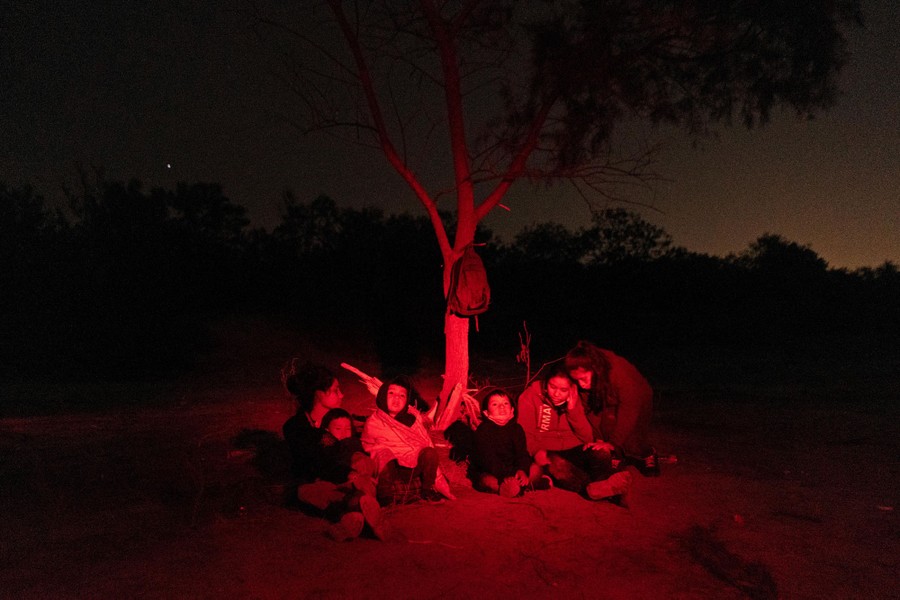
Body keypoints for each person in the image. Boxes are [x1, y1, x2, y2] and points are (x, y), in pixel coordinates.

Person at [281, 361, 385, 541]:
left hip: (345, 478)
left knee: (363, 478)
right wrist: (348, 472)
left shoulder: (339, 421)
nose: (342, 395)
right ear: (320, 394)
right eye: (336, 390)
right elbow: (314, 463)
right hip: (320, 483)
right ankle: (354, 513)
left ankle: (354, 515)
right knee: (311, 491)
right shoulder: (295, 427)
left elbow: (353, 448)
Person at [517, 362, 632, 502]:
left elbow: (586, 437)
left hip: (574, 448)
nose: (557, 393)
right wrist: (535, 450)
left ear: (572, 388)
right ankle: (593, 489)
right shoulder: (530, 396)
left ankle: (606, 487)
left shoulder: (579, 398)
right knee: (558, 465)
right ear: (546, 382)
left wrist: (572, 410)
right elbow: (524, 433)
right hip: (546, 451)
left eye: (563, 390)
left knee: (600, 452)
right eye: (552, 387)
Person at [565, 341, 659, 476]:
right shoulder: (586, 383)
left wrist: (613, 443)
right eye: (577, 380)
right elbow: (590, 411)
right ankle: (617, 456)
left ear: (594, 368)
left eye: (584, 379)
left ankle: (648, 452)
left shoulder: (617, 372)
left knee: (633, 437)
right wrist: (598, 439)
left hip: (639, 395)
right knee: (604, 428)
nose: (582, 385)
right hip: (607, 395)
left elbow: (630, 408)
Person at [361, 375, 455, 504]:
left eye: (402, 396)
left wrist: (439, 478)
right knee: (383, 454)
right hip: (391, 469)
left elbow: (426, 442)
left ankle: (426, 491)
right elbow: (369, 445)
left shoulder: (413, 420)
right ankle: (385, 499)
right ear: (382, 395)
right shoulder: (374, 422)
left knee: (429, 452)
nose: (396, 399)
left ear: (407, 400)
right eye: (391, 393)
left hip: (413, 468)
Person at [469, 387, 551, 497]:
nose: (501, 407)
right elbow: (487, 460)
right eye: (495, 404)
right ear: (486, 412)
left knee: (535, 469)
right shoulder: (483, 430)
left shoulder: (516, 429)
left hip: (514, 469)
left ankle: (516, 486)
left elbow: (522, 454)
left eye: (505, 403)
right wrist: (506, 475)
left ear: (512, 410)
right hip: (492, 470)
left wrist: (522, 470)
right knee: (487, 481)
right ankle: (523, 487)